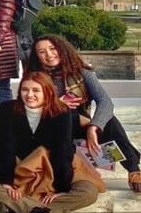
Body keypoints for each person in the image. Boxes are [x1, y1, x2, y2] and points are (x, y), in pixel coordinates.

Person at [0, 72, 102, 213]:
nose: (29, 95)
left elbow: (62, 151)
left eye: (36, 90)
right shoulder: (7, 109)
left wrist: (60, 189)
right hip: (21, 170)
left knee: (89, 192)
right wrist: (7, 181)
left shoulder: (62, 111)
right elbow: (4, 148)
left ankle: (17, 209)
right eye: (25, 90)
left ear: (47, 92)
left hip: (54, 170)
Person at [29, 35, 141, 192]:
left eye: (52, 48)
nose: (49, 54)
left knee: (109, 121)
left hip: (81, 125)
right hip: (52, 129)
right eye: (42, 52)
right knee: (67, 115)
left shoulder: (81, 72)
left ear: (62, 49)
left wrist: (94, 126)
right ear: (37, 56)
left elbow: (105, 101)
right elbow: (28, 110)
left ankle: (133, 169)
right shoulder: (35, 78)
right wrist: (56, 104)